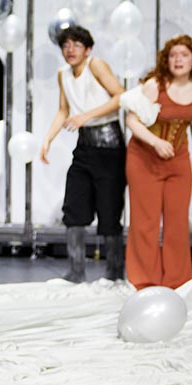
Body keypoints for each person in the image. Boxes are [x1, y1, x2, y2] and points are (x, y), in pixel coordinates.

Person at [120, 35, 192, 290]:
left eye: (184, 55)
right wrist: (155, 142)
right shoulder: (156, 85)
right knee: (145, 222)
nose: (178, 60)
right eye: (173, 55)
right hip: (144, 158)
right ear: (166, 60)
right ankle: (145, 281)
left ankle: (177, 281)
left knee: (177, 223)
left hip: (177, 159)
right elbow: (131, 120)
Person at [37, 25, 125, 282]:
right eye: (65, 45)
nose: (70, 50)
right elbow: (63, 110)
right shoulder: (62, 74)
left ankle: (114, 273)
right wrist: (48, 139)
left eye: (76, 45)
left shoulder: (96, 65)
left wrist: (86, 116)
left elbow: (120, 96)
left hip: (109, 147)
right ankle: (76, 272)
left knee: (109, 211)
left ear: (87, 49)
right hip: (85, 147)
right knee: (74, 207)